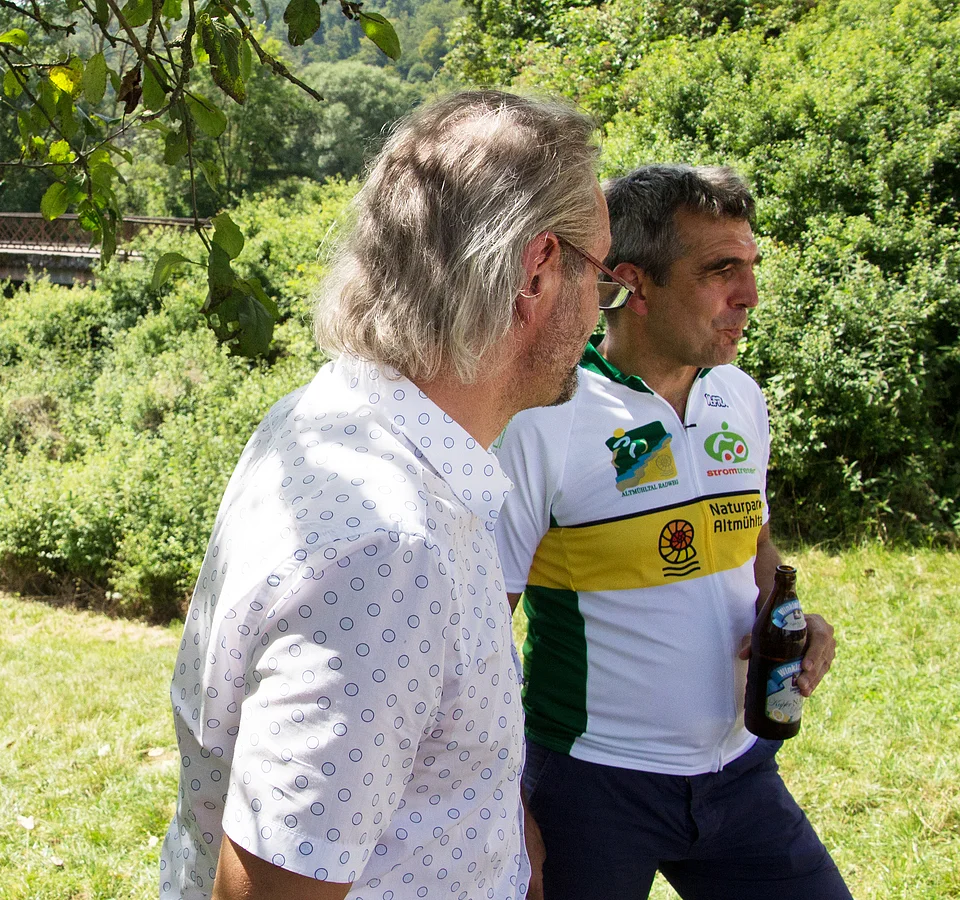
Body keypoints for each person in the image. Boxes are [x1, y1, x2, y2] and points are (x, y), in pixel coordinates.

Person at [160, 90, 614, 900]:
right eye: (602, 277)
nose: (599, 315)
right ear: (538, 270)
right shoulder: (391, 549)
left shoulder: (335, 419)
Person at [494, 164, 850, 900]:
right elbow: (481, 626)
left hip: (740, 773)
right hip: (593, 785)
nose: (749, 294)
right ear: (634, 282)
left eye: (751, 266)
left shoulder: (739, 395)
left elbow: (753, 542)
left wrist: (785, 614)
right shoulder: (545, 419)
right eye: (720, 270)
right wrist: (505, 804)